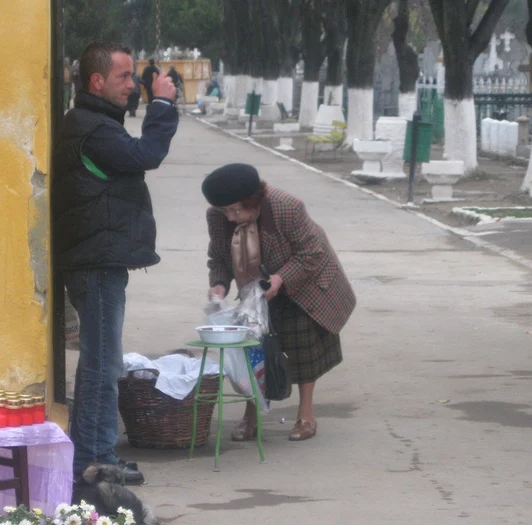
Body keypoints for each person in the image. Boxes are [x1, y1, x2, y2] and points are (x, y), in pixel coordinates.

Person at [53, 42, 177, 488]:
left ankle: (90, 455)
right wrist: (162, 103)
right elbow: (145, 156)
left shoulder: (93, 121)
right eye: (124, 77)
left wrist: (150, 94)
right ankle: (96, 459)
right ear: (96, 81)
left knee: (98, 362)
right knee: (104, 366)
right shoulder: (93, 129)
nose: (131, 86)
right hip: (96, 261)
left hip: (97, 257)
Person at [201, 163, 356, 442]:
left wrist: (281, 278)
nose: (231, 217)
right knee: (254, 347)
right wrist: (219, 286)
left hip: (304, 281)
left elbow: (312, 252)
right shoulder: (218, 215)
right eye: (225, 211)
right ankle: (252, 414)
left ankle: (306, 414)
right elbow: (219, 257)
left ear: (253, 200)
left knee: (304, 348)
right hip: (256, 287)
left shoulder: (286, 207)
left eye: (236, 210)